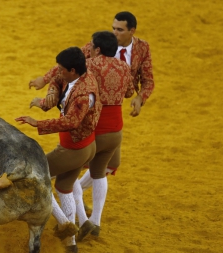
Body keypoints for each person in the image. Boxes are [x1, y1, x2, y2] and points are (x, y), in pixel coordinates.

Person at [30, 11, 154, 221]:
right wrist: (45, 78)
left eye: (120, 30)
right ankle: (88, 218)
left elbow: (147, 80)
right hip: (104, 119)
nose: (115, 33)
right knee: (91, 165)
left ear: (132, 31)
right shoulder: (102, 48)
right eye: (113, 28)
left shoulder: (140, 48)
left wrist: (141, 98)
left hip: (97, 117)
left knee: (97, 165)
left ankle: (76, 210)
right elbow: (71, 60)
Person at [16, 47, 102, 253]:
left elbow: (71, 121)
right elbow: (56, 78)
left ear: (73, 70)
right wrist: (49, 91)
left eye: (62, 70)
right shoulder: (82, 75)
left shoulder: (83, 95)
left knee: (35, 176)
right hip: (86, 146)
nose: (58, 72)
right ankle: (71, 243)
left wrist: (38, 123)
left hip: (74, 150)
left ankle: (64, 223)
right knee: (64, 188)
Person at [70, 31, 134, 240]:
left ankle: (79, 219)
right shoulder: (124, 66)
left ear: (96, 49)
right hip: (115, 127)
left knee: (69, 173)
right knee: (100, 172)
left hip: (93, 124)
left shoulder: (89, 66)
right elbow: (129, 92)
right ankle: (96, 220)